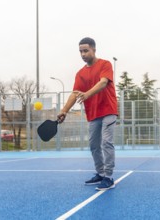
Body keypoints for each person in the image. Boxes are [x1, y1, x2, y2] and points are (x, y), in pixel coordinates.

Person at [57, 37, 118, 190]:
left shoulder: (105, 64)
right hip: (93, 114)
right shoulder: (80, 74)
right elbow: (74, 94)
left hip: (108, 110)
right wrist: (64, 111)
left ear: (93, 50)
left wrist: (87, 94)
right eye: (80, 51)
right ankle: (100, 173)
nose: (83, 54)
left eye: (86, 50)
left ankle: (109, 177)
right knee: (93, 145)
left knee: (106, 142)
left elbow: (103, 82)